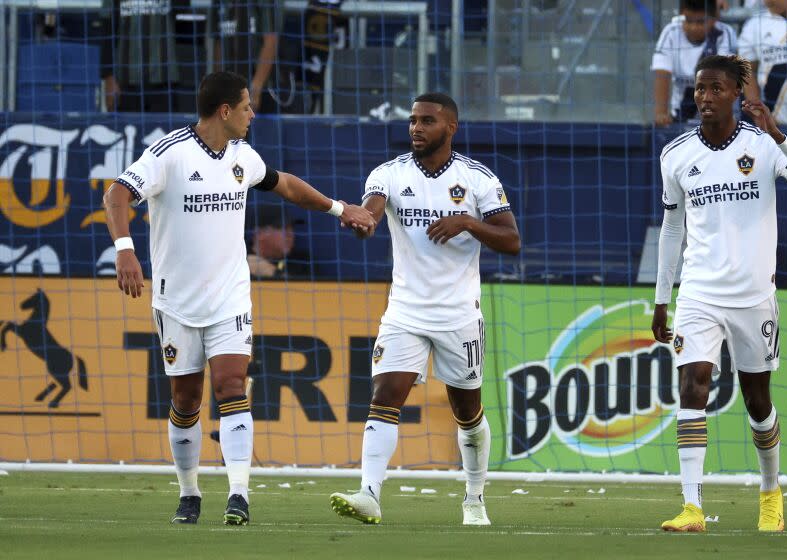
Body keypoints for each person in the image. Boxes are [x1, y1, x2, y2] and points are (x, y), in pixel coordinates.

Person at [103, 71, 373, 525]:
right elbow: (116, 194)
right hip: (176, 302)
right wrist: (125, 251)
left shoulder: (242, 156)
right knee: (186, 399)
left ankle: (239, 495)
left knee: (231, 387)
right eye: (247, 106)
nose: (254, 113)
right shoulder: (169, 153)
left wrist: (339, 209)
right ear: (225, 111)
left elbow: (284, 183)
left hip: (231, 298)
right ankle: (189, 494)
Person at [652, 54, 787, 533]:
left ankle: (771, 494)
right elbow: (672, 230)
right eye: (699, 89)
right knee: (692, 387)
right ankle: (691, 507)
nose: (704, 97)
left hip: (754, 297)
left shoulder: (763, 146)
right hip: (699, 293)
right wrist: (662, 299)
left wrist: (777, 133)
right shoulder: (676, 154)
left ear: (736, 94)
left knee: (757, 402)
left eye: (715, 89)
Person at [328, 93, 521, 526]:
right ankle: (369, 494)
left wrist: (468, 222)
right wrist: (364, 222)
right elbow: (372, 211)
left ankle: (474, 499)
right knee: (385, 396)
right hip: (405, 312)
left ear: (450, 127)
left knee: (467, 412)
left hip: (458, 315)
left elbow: (512, 241)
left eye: (427, 121)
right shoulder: (389, 174)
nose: (416, 127)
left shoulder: (478, 180)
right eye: (413, 120)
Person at [652, 0, 739, 126]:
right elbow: (662, 74)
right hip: (681, 113)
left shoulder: (725, 33)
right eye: (688, 20)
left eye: (700, 22)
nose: (693, 27)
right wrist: (661, 113)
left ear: (714, 19)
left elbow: (726, 79)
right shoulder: (671, 32)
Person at [210, 0, 280, 114]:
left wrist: (256, 88)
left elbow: (271, 41)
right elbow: (218, 43)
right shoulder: (219, 3)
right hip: (229, 85)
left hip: (261, 85)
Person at [247, 205, 312, 279]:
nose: (290, 234)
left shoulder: (302, 262)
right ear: (259, 233)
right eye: (281, 227)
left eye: (291, 228)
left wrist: (274, 272)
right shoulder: (241, 259)